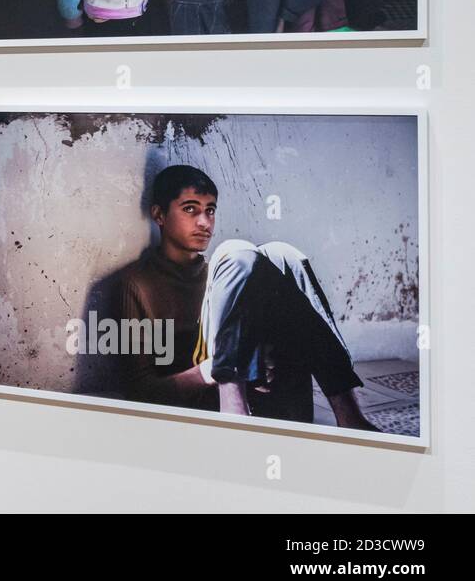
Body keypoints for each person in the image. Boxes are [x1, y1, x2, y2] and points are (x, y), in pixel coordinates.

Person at [117, 165, 377, 430]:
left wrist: (262, 355)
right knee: (234, 252)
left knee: (281, 253)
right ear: (159, 215)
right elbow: (139, 391)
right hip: (206, 409)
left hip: (277, 404)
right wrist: (210, 371)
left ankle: (350, 416)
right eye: (190, 209)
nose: (205, 222)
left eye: (210, 210)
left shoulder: (223, 279)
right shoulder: (137, 283)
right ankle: (234, 410)